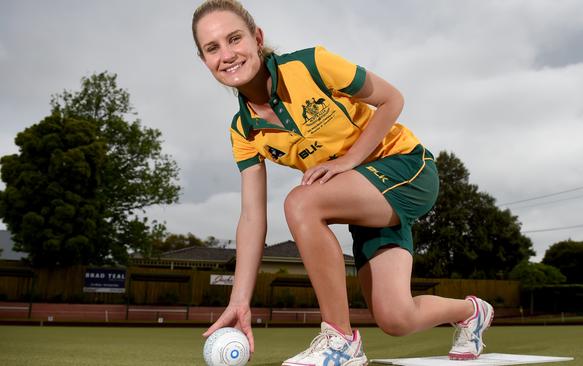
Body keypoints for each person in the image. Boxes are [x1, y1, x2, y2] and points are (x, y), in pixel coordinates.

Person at [192, 0, 493, 364]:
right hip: (363, 200)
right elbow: (252, 218)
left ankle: (341, 340)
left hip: (407, 169)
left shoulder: (311, 64)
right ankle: (472, 312)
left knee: (301, 201)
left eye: (234, 38)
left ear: (257, 38)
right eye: (213, 48)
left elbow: (391, 99)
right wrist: (239, 300)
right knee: (396, 318)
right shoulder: (243, 131)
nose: (227, 54)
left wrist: (350, 159)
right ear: (204, 60)